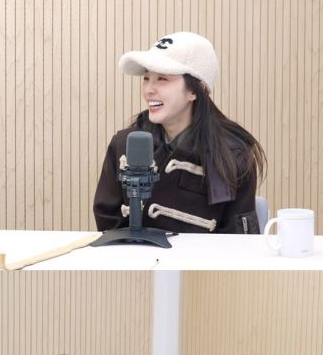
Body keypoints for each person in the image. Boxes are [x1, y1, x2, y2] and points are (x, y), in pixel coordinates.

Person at [93, 31, 266, 234]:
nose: (149, 89)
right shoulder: (124, 144)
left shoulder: (233, 154)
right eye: (146, 78)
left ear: (195, 90)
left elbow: (239, 240)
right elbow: (108, 223)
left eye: (162, 79)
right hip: (136, 255)